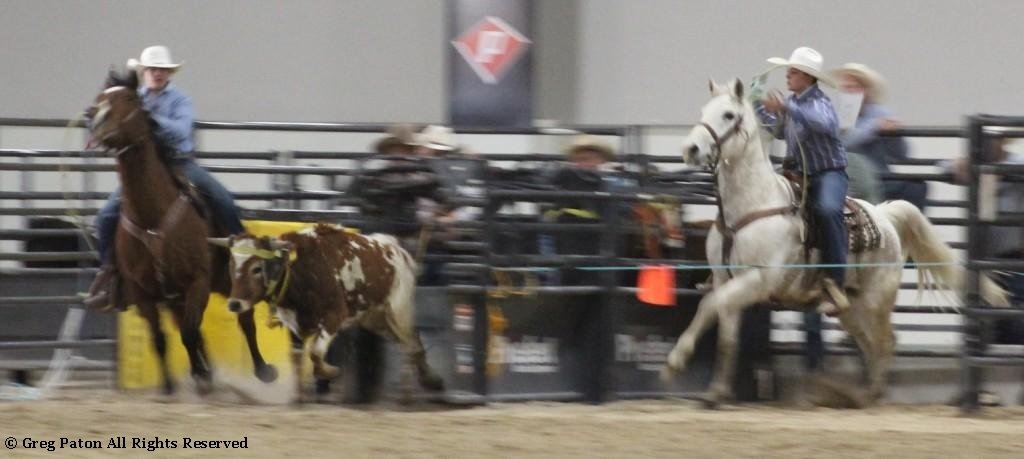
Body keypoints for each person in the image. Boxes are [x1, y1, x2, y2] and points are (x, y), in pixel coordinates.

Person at [84, 45, 245, 309]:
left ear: (169, 74)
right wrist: (96, 117)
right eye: (153, 69)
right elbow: (106, 122)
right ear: (144, 72)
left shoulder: (179, 100)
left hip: (179, 163)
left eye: (163, 70)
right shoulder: (128, 100)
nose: (158, 74)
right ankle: (109, 274)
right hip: (144, 171)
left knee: (221, 198)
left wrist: (149, 118)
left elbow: (181, 132)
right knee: (107, 216)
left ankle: (240, 256)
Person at [755, 46, 850, 316]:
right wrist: (757, 105)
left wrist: (785, 107)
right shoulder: (794, 104)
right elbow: (780, 131)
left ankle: (836, 283)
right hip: (799, 174)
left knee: (828, 210)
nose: (787, 76)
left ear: (807, 77)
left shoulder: (819, 102)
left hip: (828, 173)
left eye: (793, 72)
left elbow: (825, 124)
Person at [832, 63, 926, 209]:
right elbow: (844, 141)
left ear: (866, 91)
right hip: (850, 179)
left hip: (880, 178)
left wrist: (896, 135)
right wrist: (875, 126)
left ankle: (908, 230)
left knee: (917, 187)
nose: (849, 92)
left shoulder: (881, 113)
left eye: (853, 87)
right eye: (845, 88)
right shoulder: (837, 114)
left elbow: (901, 154)